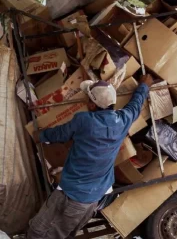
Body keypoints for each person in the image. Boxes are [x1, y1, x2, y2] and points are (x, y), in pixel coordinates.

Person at [27, 74, 153, 239]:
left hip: (71, 195)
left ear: (92, 105)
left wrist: (40, 136)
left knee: (41, 232)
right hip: (90, 199)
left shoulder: (84, 120)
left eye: (88, 99)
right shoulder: (122, 121)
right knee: (56, 232)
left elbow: (60, 133)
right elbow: (135, 106)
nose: (86, 102)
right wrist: (144, 86)